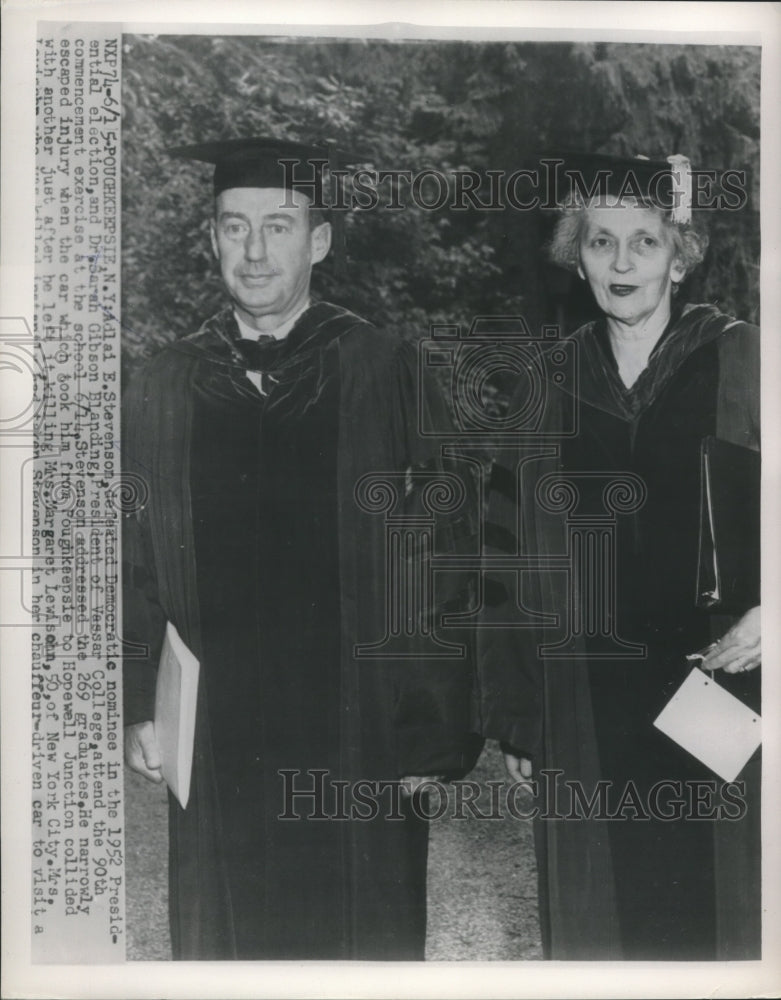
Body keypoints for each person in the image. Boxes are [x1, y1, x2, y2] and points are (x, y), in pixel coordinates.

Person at [121, 138, 481, 960]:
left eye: (278, 227)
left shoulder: (384, 371)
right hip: (216, 727)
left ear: (318, 241)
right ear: (211, 238)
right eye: (234, 227)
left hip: (356, 725)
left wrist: (428, 727)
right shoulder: (164, 383)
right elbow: (128, 549)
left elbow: (445, 554)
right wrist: (141, 698)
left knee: (357, 944)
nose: (254, 252)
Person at [478, 153, 760, 960]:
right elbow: (507, 565)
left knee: (723, 913)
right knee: (604, 927)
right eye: (602, 242)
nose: (624, 262)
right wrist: (521, 719)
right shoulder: (547, 386)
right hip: (584, 702)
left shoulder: (746, 362)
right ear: (579, 258)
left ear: (681, 254)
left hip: (725, 685)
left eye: (645, 240)